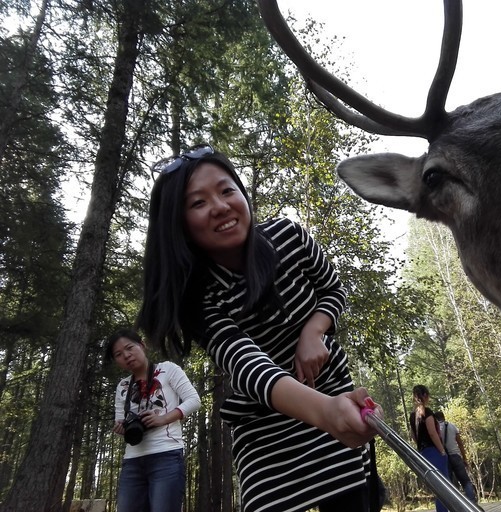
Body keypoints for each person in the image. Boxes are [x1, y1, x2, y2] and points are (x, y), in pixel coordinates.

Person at [136, 144, 381, 512]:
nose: (220, 206)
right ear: (179, 224)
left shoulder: (288, 235)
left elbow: (334, 289)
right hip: (265, 425)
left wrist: (313, 331)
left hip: (334, 394)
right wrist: (325, 411)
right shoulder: (195, 297)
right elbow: (249, 366)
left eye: (226, 190)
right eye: (198, 203)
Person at [106, 328, 201, 512]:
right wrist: (121, 427)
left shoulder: (168, 369)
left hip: (166, 456)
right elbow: (120, 419)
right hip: (132, 461)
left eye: (129, 348)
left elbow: (194, 401)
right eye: (118, 354)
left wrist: (163, 418)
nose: (126, 355)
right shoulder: (123, 385)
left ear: (142, 345)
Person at [409, 385, 449, 512]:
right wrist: (442, 451)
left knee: (437, 487)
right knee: (444, 487)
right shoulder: (428, 412)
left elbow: (413, 436)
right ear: (425, 395)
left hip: (423, 453)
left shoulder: (412, 416)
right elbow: (433, 433)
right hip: (434, 451)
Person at [435, 410, 478, 503]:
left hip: (444, 458)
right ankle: (472, 502)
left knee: (449, 483)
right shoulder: (452, 426)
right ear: (444, 417)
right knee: (465, 480)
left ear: (435, 419)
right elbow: (460, 443)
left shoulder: (436, 428)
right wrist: (464, 458)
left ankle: (455, 504)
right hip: (456, 456)